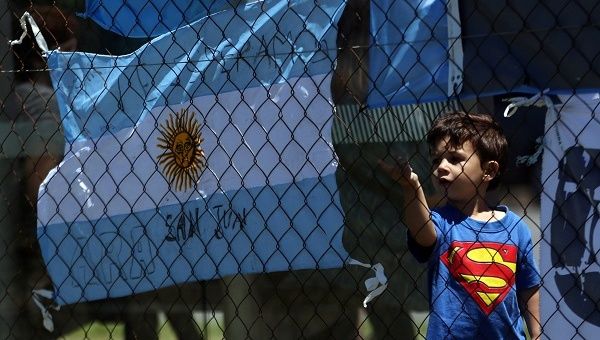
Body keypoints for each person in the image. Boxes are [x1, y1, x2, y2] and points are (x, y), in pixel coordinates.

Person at [379, 111, 542, 339]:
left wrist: (537, 334)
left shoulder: (516, 228)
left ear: (489, 170)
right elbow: (422, 233)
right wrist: (412, 187)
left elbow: (529, 287)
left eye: (455, 159)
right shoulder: (442, 222)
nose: (441, 167)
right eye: (437, 160)